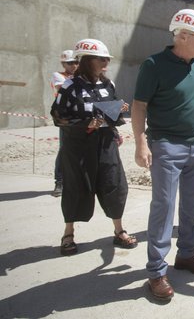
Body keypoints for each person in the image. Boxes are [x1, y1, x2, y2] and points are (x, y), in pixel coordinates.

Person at [132, 8, 194, 301]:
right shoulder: (153, 65)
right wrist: (141, 142)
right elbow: (139, 105)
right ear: (182, 35)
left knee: (191, 205)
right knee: (164, 206)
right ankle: (156, 272)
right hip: (166, 145)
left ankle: (186, 254)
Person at [50, 38, 137, 256]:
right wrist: (84, 123)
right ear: (88, 61)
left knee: (114, 184)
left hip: (106, 144)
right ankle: (68, 233)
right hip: (78, 147)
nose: (106, 61)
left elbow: (112, 115)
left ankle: (119, 231)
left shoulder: (109, 85)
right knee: (76, 187)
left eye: (107, 58)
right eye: (101, 58)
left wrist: (119, 109)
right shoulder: (70, 86)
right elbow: (58, 116)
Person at [50, 50, 79, 197]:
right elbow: (65, 89)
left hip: (80, 116)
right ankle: (59, 182)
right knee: (64, 150)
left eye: (76, 62)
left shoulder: (80, 77)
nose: (74, 65)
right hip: (65, 117)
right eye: (70, 63)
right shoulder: (59, 76)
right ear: (63, 63)